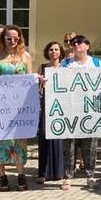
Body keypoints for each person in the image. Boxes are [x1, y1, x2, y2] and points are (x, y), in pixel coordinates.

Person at [0, 25, 33, 191]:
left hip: (18, 107)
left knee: (19, 141)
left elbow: (30, 79)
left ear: (20, 38)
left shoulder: (25, 56)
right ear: (3, 39)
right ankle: (2, 176)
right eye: (8, 38)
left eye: (15, 38)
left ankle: (21, 175)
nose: (12, 41)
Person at [61, 35, 101, 188]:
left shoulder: (95, 63)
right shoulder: (66, 63)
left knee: (90, 143)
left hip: (90, 108)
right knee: (69, 143)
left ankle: (90, 175)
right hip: (70, 108)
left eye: (79, 42)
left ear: (87, 46)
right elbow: (58, 82)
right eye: (73, 43)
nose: (76, 44)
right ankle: (68, 176)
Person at [36, 41, 66, 188]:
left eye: (56, 49)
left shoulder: (65, 67)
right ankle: (43, 172)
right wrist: (41, 82)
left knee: (59, 138)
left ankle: (59, 171)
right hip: (46, 105)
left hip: (62, 106)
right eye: (51, 50)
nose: (54, 52)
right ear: (47, 52)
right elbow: (36, 89)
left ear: (60, 52)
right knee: (44, 136)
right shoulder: (42, 67)